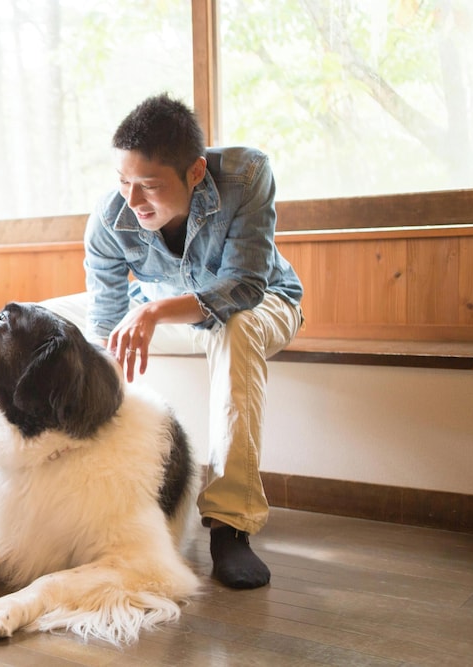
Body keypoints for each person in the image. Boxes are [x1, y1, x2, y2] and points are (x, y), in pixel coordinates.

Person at [81, 93, 304, 589]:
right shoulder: (109, 217)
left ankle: (229, 526)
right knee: (57, 322)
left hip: (264, 303)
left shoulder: (247, 175)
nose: (133, 202)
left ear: (196, 173)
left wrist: (153, 310)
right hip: (165, 308)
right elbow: (106, 318)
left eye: (151, 187)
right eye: (123, 182)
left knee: (237, 326)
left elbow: (244, 288)